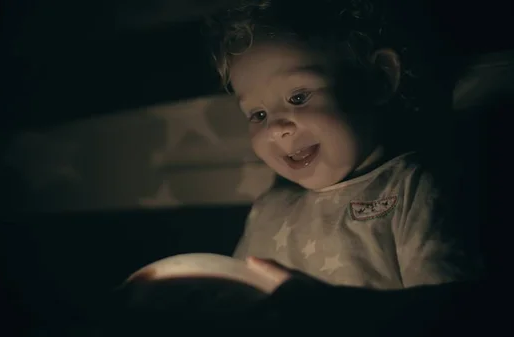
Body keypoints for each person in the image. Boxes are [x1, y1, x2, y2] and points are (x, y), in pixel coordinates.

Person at [201, 0, 483, 290]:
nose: (276, 130)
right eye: (258, 115)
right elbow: (233, 298)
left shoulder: (413, 191)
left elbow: (448, 312)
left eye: (298, 97)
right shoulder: (267, 209)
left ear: (378, 79)